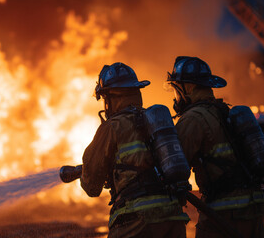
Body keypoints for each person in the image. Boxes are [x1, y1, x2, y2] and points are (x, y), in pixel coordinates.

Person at [80, 62, 189, 238]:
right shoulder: (156, 120)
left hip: (135, 221)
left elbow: (91, 186)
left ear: (109, 98)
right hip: (173, 215)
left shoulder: (112, 127)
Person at [165, 56, 264, 238]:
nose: (176, 96)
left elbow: (174, 166)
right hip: (254, 207)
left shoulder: (193, 119)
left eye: (176, 89)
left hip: (223, 212)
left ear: (187, 87)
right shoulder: (224, 112)